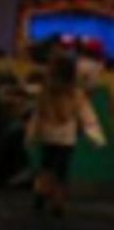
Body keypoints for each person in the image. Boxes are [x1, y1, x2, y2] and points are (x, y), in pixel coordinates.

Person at [26, 51, 107, 216]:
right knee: (61, 171)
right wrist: (96, 138)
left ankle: (41, 193)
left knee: (46, 166)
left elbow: (37, 115)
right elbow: (87, 116)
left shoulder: (45, 93)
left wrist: (31, 135)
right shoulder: (76, 94)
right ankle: (58, 202)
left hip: (48, 135)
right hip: (65, 138)